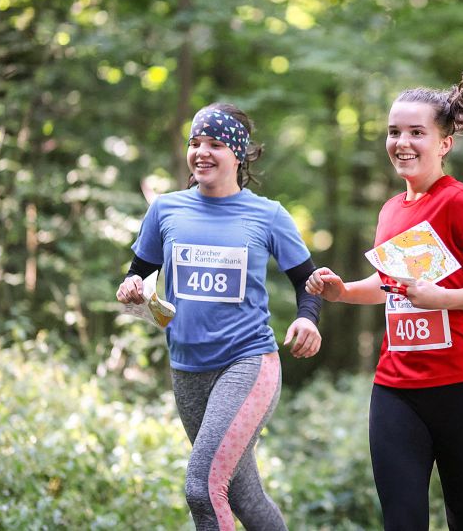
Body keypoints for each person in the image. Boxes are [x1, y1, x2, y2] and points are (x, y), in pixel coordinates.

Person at [306, 73, 463, 531]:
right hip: (396, 389)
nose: (402, 141)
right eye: (394, 131)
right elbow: (392, 284)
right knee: (402, 521)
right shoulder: (391, 210)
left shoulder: (460, 203)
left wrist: (443, 297)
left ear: (444, 143)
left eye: (417, 132)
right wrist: (343, 291)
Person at [116, 103, 323, 531]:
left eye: (215, 143)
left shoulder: (268, 215)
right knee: (244, 495)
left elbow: (308, 281)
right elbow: (138, 273)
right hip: (187, 368)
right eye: (195, 143)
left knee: (201, 486)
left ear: (239, 154)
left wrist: (307, 318)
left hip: (248, 362)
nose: (201, 152)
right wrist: (131, 287)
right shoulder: (166, 210)